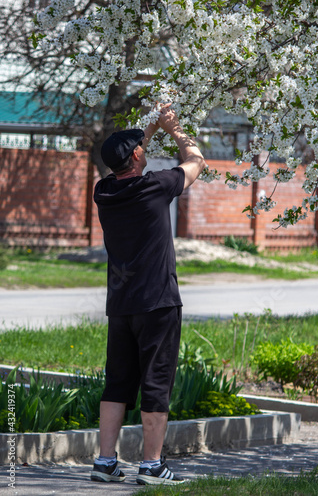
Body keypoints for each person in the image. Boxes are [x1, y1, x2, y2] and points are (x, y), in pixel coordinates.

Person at [90, 104, 206, 486]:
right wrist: (175, 129)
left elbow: (124, 162)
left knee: (117, 383)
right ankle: (152, 466)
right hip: (157, 303)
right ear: (138, 156)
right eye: (141, 147)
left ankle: (105, 462)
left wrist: (147, 132)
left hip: (121, 306)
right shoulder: (156, 186)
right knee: (156, 383)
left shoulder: (104, 192)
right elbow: (196, 160)